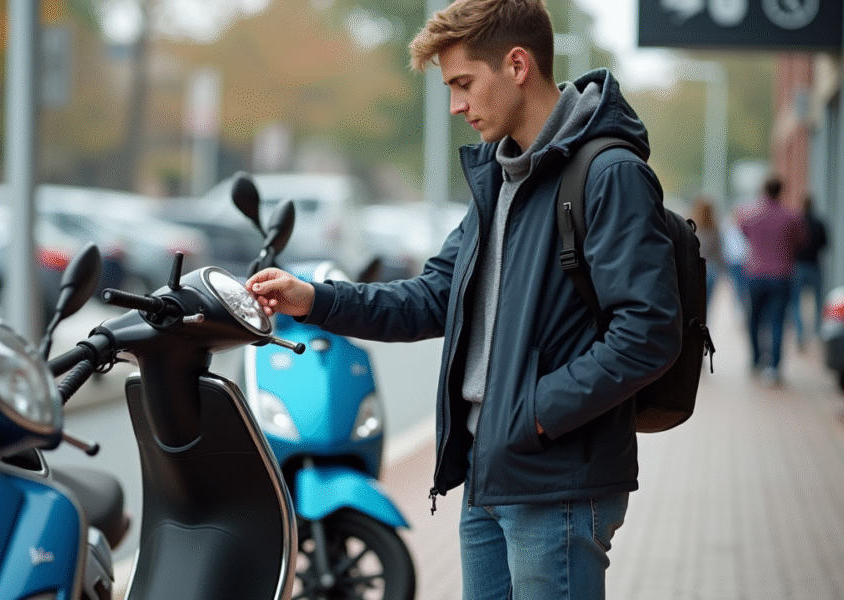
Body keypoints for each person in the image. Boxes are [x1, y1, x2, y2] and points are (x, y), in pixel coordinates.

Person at [247, 1, 682, 598]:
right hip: (490, 471)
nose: (456, 105)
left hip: (556, 479)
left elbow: (648, 332)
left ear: (519, 64)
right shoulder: (500, 178)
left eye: (463, 84)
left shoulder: (609, 174)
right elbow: (432, 298)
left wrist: (534, 412)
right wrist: (314, 301)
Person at [736, 176, 806, 385]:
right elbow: (801, 241)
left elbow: (743, 232)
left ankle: (756, 359)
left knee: (754, 319)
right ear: (780, 191)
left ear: (764, 190)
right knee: (777, 321)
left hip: (756, 273)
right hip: (782, 275)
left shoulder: (749, 215)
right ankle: (774, 368)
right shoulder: (791, 216)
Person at [790, 194, 829, 349]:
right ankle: (818, 332)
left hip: (798, 266)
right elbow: (826, 244)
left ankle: (800, 333)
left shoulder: (796, 223)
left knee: (795, 302)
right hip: (814, 265)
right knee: (818, 301)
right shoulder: (819, 223)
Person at [691, 194, 724, 307]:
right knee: (704, 306)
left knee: (691, 305)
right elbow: (719, 253)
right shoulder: (715, 229)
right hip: (709, 269)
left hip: (692, 268)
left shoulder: (690, 228)